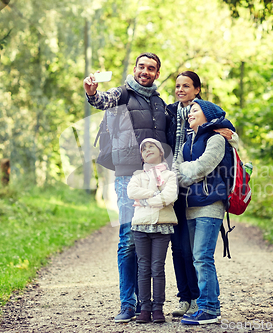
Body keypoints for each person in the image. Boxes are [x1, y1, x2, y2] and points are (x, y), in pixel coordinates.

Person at [83, 53, 174, 323]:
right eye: (141, 67)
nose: (145, 72)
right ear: (135, 69)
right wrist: (91, 93)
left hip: (156, 177)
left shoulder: (159, 102)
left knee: (149, 238)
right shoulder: (122, 94)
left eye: (151, 68)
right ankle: (128, 303)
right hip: (128, 175)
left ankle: (147, 304)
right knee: (128, 238)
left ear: (157, 73)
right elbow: (102, 100)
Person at [166, 71, 238, 317]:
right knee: (198, 257)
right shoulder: (188, 141)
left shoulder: (216, 139)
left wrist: (185, 172)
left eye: (195, 111)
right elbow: (178, 168)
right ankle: (207, 306)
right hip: (190, 205)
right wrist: (185, 172)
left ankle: (208, 308)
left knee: (202, 257)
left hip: (209, 204)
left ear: (206, 115)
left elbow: (199, 168)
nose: (190, 114)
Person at [127, 138, 178, 323]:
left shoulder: (170, 175)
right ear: (142, 156)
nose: (147, 150)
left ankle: (158, 308)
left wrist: (145, 201)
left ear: (161, 152)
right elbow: (132, 192)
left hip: (161, 226)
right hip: (141, 226)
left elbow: (170, 196)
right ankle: (144, 308)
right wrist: (156, 195)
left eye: (151, 146)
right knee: (143, 268)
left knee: (157, 268)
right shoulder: (138, 175)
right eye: (143, 149)